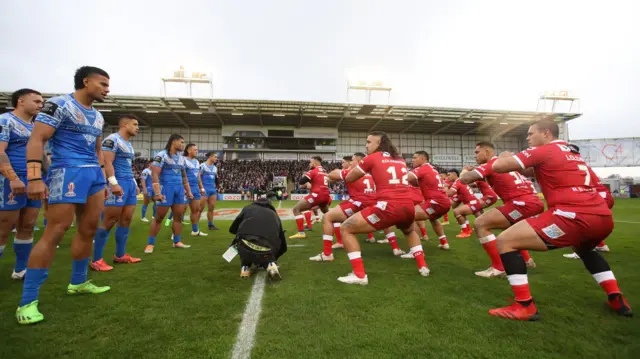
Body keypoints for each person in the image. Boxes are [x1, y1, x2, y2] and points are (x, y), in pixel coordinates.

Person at [488, 119, 631, 320]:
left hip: (571, 217)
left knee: (506, 240)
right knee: (583, 249)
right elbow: (536, 170)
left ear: (546, 133)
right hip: (603, 218)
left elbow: (500, 166)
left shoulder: (545, 150)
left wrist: (502, 157)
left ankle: (524, 306)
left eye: (530, 134)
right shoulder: (573, 154)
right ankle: (616, 296)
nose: (527, 138)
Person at [16, 66, 112, 325]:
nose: (107, 89)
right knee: (56, 231)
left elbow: (97, 149)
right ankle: (27, 300)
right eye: (102, 84)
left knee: (89, 229)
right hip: (66, 172)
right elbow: (36, 139)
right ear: (86, 81)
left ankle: (78, 282)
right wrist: (35, 177)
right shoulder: (59, 104)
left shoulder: (99, 117)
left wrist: (102, 177)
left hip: (93, 175)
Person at [339, 131, 430, 285]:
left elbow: (350, 178)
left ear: (379, 143)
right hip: (408, 206)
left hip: (388, 206)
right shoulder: (400, 160)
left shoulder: (372, 158)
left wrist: (348, 171)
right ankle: (423, 267)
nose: (366, 145)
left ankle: (359, 275)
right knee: (409, 231)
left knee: (346, 228)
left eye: (369, 142)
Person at [459, 141, 540, 278]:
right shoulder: (501, 165)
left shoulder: (491, 164)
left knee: (481, 223)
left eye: (477, 152)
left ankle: (499, 267)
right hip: (531, 201)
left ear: (488, 152)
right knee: (508, 228)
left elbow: (464, 179)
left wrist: (465, 171)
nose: (475, 156)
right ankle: (527, 260)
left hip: (520, 203)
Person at [0, 89, 44, 280]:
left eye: (42, 102)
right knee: (4, 226)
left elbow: (41, 155)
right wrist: (13, 178)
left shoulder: (36, 127)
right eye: (36, 101)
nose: (40, 105)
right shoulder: (5, 120)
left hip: (32, 181)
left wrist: (43, 179)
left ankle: (20, 270)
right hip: (10, 181)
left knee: (28, 224)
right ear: (21, 101)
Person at [90, 114, 142, 271]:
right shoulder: (112, 140)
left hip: (129, 184)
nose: (137, 127)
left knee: (126, 219)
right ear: (125, 125)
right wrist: (113, 183)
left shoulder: (128, 143)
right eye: (135, 124)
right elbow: (106, 162)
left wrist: (134, 183)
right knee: (110, 220)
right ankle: (96, 259)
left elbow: (126, 164)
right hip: (117, 183)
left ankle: (120, 255)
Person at [309, 154, 381, 262]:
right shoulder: (370, 174)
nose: (350, 163)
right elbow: (332, 179)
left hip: (358, 203)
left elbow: (332, 175)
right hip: (374, 203)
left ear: (358, 162)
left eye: (352, 161)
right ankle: (394, 247)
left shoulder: (353, 171)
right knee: (338, 217)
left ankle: (328, 254)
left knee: (327, 217)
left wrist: (341, 170)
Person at [144, 134, 193, 253]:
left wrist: (188, 191)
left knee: (178, 217)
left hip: (179, 189)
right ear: (173, 142)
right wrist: (157, 192)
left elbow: (184, 176)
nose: (183, 145)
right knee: (159, 217)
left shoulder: (181, 158)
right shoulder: (161, 155)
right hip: (166, 189)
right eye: (181, 142)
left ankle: (177, 241)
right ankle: (150, 244)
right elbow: (155, 174)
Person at [564, 147, 613, 259]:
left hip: (596, 197)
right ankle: (601, 246)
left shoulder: (572, 165)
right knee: (589, 223)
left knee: (578, 222)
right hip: (604, 195)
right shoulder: (581, 163)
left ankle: (579, 252)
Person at [229, 198, 285, 280]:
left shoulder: (247, 209)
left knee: (241, 240)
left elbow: (233, 229)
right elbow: (282, 240)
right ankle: (271, 264)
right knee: (266, 252)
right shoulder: (274, 214)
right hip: (267, 249)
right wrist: (275, 256)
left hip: (245, 246)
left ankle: (245, 267)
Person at [406, 151, 450, 251]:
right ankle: (444, 243)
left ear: (423, 159)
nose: (413, 160)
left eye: (415, 157)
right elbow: (416, 183)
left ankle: (416, 249)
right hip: (443, 202)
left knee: (408, 216)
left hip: (435, 202)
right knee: (433, 219)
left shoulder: (422, 168)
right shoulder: (431, 169)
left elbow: (405, 178)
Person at [289, 156, 331, 239]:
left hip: (316, 195)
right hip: (326, 195)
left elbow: (301, 181)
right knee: (328, 215)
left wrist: (306, 175)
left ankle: (301, 233)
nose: (309, 164)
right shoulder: (324, 171)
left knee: (296, 209)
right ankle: (329, 232)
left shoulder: (313, 171)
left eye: (310, 162)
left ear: (315, 162)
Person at [183, 143, 207, 236]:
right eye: (195, 150)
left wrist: (201, 187)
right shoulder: (183, 160)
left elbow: (198, 176)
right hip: (185, 188)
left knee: (196, 210)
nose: (197, 151)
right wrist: (184, 188)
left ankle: (195, 231)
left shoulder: (197, 162)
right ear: (189, 150)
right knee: (180, 211)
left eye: (197, 150)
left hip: (195, 188)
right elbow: (181, 175)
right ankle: (175, 233)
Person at [447, 169, 476, 237]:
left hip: (472, 203)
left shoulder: (457, 182)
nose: (448, 177)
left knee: (457, 212)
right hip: (473, 202)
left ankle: (465, 232)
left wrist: (444, 188)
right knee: (462, 212)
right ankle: (468, 229)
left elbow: (450, 194)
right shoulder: (460, 181)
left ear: (454, 174)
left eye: (449, 175)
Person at [200, 151, 220, 230]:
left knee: (211, 207)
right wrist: (201, 188)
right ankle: (195, 228)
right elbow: (198, 178)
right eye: (215, 157)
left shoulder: (215, 168)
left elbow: (216, 179)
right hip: (204, 190)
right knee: (200, 209)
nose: (216, 158)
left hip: (212, 190)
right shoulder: (202, 166)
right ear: (210, 157)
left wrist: (217, 186)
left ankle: (210, 225)